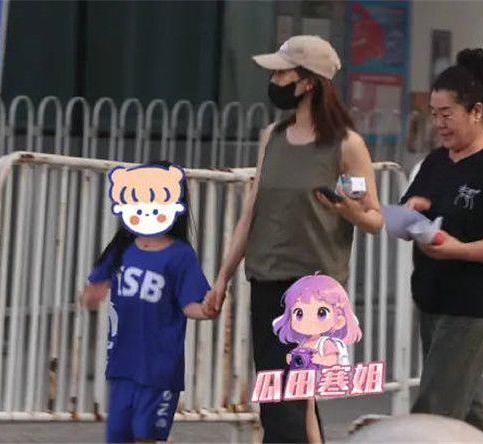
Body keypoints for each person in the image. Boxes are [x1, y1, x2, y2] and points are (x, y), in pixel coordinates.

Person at [205, 35, 383, 443]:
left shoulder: (346, 144)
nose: (274, 80)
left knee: (285, 402)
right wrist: (223, 278)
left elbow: (374, 219)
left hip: (314, 292)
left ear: (308, 82)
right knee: (287, 400)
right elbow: (252, 211)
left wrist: (347, 209)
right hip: (266, 279)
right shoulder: (273, 136)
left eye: (281, 73)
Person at [399, 48, 483, 433]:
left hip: (474, 306)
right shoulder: (436, 161)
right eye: (434, 114)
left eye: (447, 115)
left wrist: (461, 250)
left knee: (436, 409)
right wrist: (410, 211)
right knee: (467, 407)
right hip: (433, 300)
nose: (439, 125)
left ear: (476, 111)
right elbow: (411, 208)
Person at [82, 161, 216, 443]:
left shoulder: (180, 255)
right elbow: (93, 289)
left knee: (145, 437)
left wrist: (207, 309)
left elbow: (189, 304)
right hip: (122, 365)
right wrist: (91, 295)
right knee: (118, 436)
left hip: (159, 370)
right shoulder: (121, 249)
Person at [272, 274, 362, 369]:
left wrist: (319, 359)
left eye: (321, 313)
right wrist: (291, 358)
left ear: (339, 321)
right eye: (299, 313)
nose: (308, 321)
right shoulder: (303, 343)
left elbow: (334, 359)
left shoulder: (325, 342)